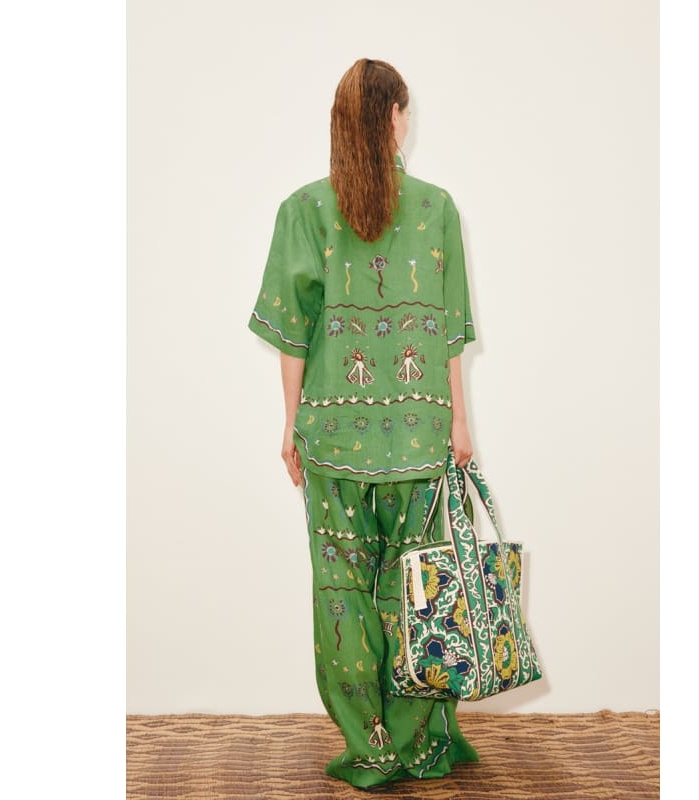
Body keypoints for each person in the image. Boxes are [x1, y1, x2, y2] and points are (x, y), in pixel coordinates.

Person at [247, 58, 480, 789]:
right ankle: (417, 743)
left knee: (342, 591)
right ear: (395, 118)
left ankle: (369, 746)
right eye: (404, 113)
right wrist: (460, 424)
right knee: (420, 587)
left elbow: (292, 335)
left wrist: (291, 424)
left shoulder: (304, 210)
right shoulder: (437, 209)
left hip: (333, 438)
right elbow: (448, 333)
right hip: (420, 435)